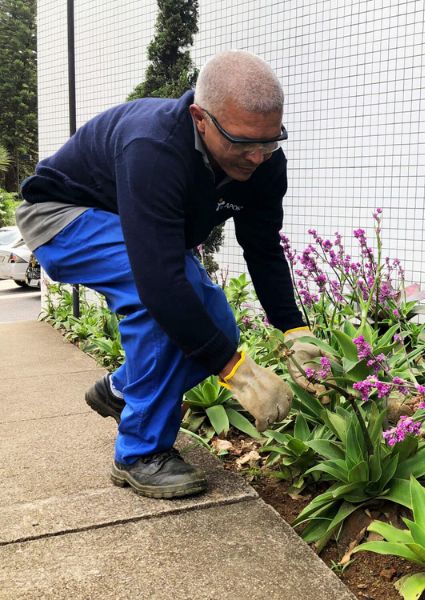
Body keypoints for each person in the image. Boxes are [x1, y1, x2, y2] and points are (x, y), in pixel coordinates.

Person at [16, 50, 322, 499]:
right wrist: (234, 369)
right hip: (63, 218)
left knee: (215, 321)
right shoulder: (155, 146)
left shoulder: (264, 164)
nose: (257, 157)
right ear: (201, 118)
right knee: (160, 305)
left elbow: (262, 247)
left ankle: (121, 391)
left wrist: (294, 328)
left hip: (132, 227)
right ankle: (139, 453)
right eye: (242, 143)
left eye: (271, 141)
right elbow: (158, 283)